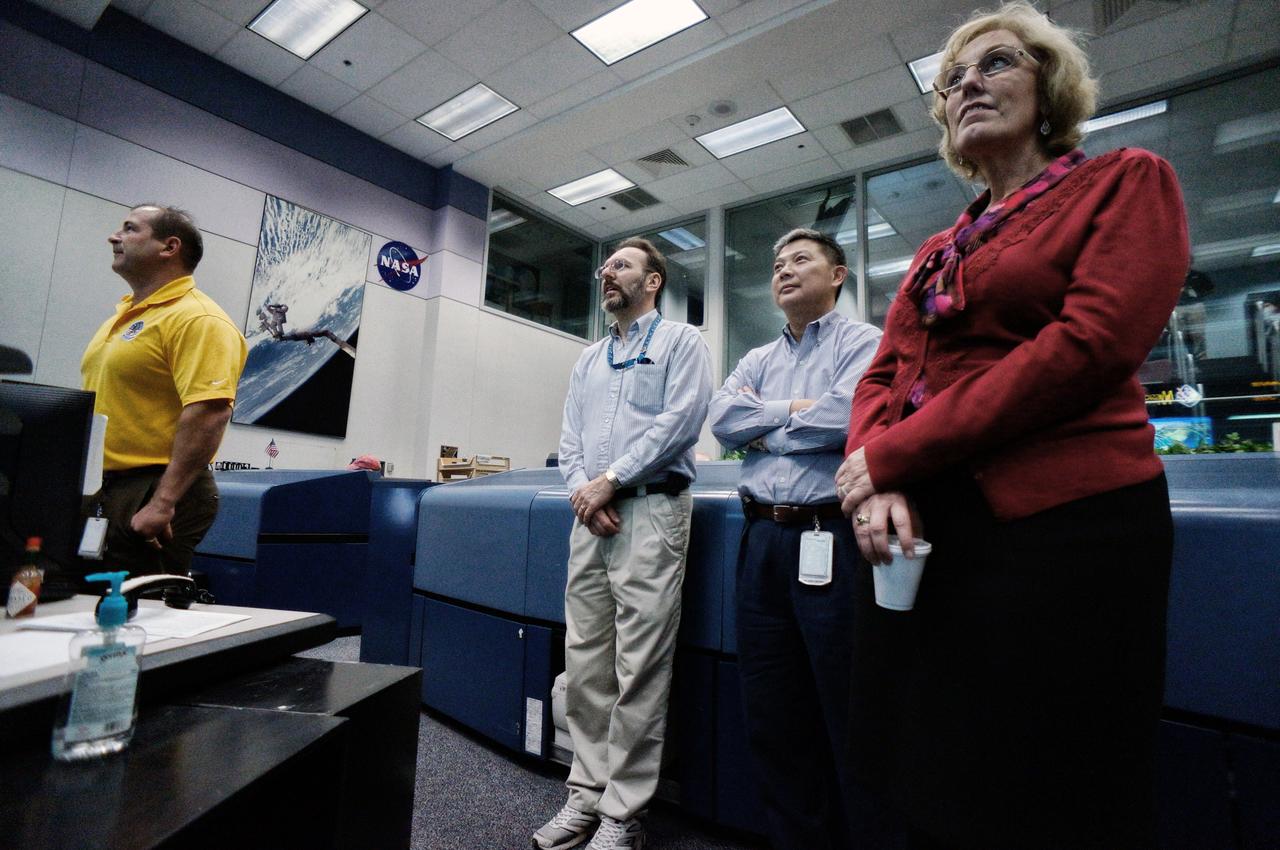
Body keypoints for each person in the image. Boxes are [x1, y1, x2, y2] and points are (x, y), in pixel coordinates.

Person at [833, 4, 1189, 848]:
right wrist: (873, 479)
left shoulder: (1126, 180)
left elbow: (1085, 348)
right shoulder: (936, 249)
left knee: (1051, 790)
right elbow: (886, 372)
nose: (969, 86)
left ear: (1050, 85)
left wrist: (896, 455)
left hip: (1067, 532)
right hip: (934, 536)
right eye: (954, 79)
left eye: (995, 65)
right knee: (931, 778)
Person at [709, 229, 883, 850]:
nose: (784, 270)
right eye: (777, 263)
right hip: (761, 539)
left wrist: (767, 421)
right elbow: (723, 419)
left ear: (837, 274)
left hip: (831, 536)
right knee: (773, 710)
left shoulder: (865, 343)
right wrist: (797, 412)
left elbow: (850, 415)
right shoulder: (756, 357)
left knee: (845, 706)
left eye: (800, 260)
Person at [535, 238, 712, 850]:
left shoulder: (681, 343)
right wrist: (587, 492)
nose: (607, 272)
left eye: (622, 265)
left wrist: (611, 482)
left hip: (653, 511)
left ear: (654, 281)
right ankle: (584, 795)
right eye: (605, 265)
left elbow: (681, 422)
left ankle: (623, 813)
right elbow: (570, 439)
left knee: (640, 666)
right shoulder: (588, 359)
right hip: (591, 519)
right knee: (585, 664)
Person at [81, 204, 247, 577]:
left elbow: (210, 411)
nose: (114, 236)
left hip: (155, 489)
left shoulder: (199, 319)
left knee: (137, 616)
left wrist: (163, 501)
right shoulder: (125, 316)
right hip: (106, 486)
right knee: (89, 605)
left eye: (129, 228)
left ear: (169, 247)